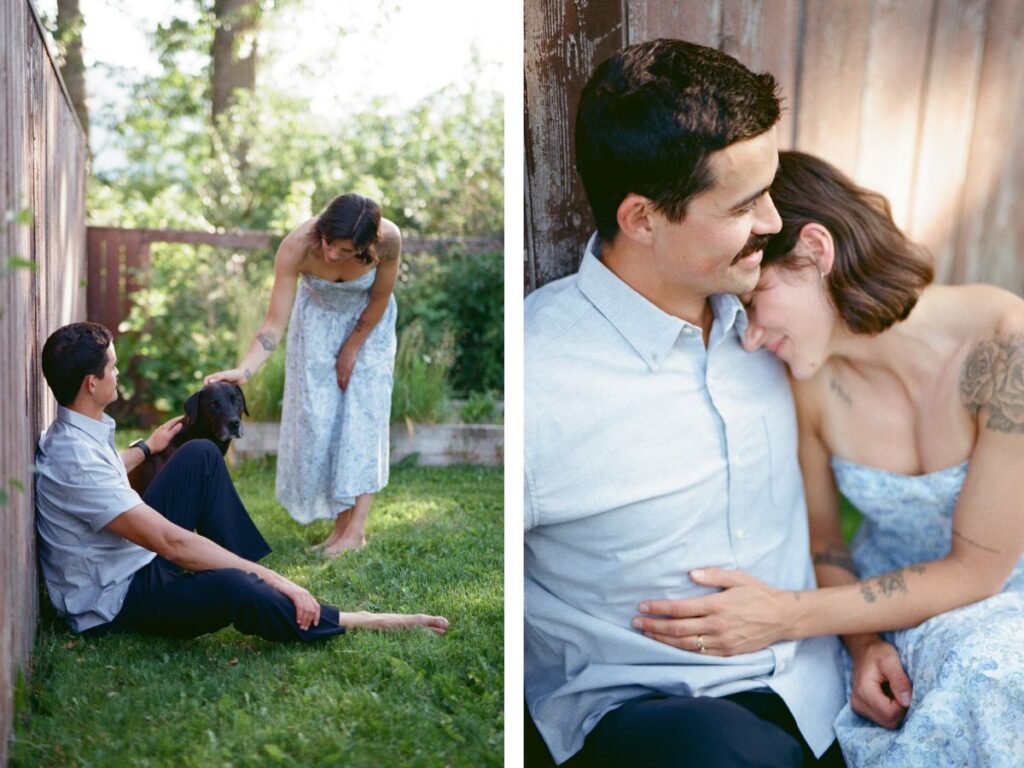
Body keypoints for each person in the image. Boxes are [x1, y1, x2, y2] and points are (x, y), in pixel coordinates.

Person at [631, 150, 1024, 766]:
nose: (751, 336)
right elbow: (826, 543)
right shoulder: (809, 377)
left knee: (988, 671)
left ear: (816, 253)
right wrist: (864, 643)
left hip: (1001, 594)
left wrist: (784, 615)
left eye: (756, 299)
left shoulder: (1009, 347)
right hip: (874, 601)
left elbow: (978, 572)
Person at [525, 40, 846, 767]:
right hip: (657, 716)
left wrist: (857, 636)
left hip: (816, 680)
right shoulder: (538, 377)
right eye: (743, 204)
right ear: (641, 218)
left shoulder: (780, 310)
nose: (771, 220)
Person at [36, 322, 448, 642]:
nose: (118, 372)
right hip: (118, 598)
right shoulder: (75, 460)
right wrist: (275, 579)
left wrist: (146, 448)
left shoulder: (77, 434)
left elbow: (103, 474)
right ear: (92, 383)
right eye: (112, 366)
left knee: (198, 454)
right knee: (235, 585)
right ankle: (349, 618)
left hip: (126, 560)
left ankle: (253, 578)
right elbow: (171, 543)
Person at [206, 193, 400, 555]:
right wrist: (244, 370)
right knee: (322, 421)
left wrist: (352, 348)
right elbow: (273, 323)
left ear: (367, 246)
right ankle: (337, 531)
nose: (331, 255)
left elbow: (379, 298)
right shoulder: (296, 245)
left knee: (363, 420)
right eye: (329, 244)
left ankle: (354, 532)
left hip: (369, 331)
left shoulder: (389, 239)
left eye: (344, 251)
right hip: (315, 329)